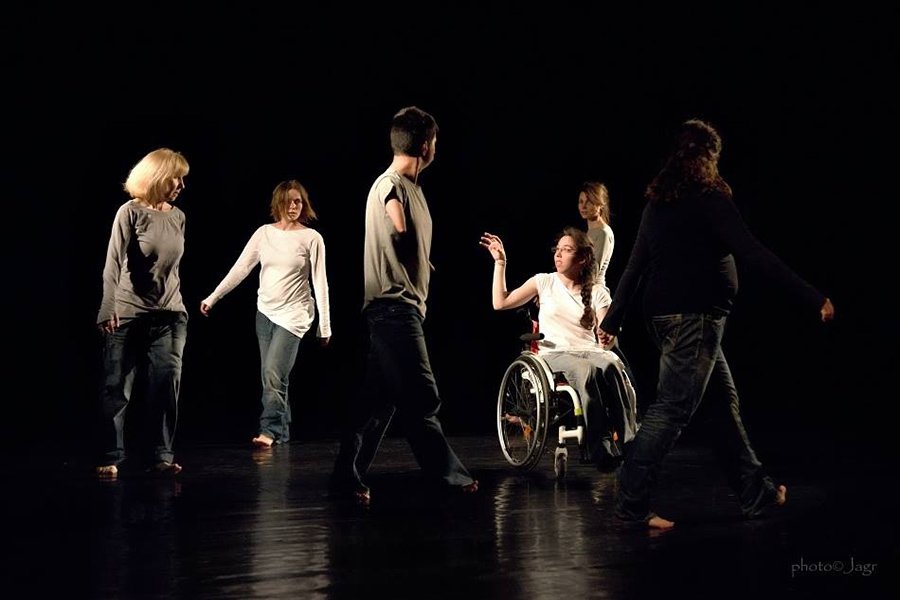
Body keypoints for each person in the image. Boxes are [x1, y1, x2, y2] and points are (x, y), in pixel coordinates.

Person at [597, 119, 835, 530]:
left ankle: (756, 492)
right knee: (672, 408)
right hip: (695, 320)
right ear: (708, 157)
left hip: (666, 319)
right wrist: (813, 296)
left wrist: (614, 319)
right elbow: (753, 252)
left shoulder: (658, 203)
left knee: (722, 406)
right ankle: (631, 500)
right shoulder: (710, 199)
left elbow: (635, 267)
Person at [330, 106, 478, 503]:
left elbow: (405, 239)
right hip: (392, 308)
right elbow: (395, 219)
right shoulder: (390, 183)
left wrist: (421, 261)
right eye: (435, 142)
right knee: (422, 395)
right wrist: (402, 234)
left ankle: (345, 475)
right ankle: (449, 475)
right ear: (426, 146)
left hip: (402, 306)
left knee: (376, 402)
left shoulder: (415, 188)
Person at [480, 227, 637, 470]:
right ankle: (600, 447)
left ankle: (631, 444)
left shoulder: (597, 292)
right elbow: (500, 302)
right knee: (585, 370)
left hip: (591, 350)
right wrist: (500, 262)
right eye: (557, 249)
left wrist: (607, 335)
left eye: (567, 250)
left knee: (612, 366)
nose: (558, 254)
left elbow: (606, 332)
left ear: (582, 258)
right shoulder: (544, 281)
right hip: (555, 354)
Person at [200, 180, 331, 448]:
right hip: (265, 313)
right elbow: (241, 268)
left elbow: (320, 282)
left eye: (298, 201)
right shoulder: (264, 234)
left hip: (295, 315)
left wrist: (325, 325)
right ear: (278, 203)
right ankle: (282, 431)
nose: (293, 206)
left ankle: (269, 430)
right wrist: (213, 297)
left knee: (273, 372)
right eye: (289, 201)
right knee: (272, 376)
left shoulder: (311, 238)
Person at [95, 147, 190, 479]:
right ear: (158, 177)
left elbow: (171, 268)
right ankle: (111, 454)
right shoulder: (130, 212)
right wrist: (107, 307)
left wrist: (174, 303)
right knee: (117, 387)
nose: (181, 185)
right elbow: (113, 262)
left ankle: (162, 455)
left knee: (166, 385)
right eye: (176, 178)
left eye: (183, 179)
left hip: (170, 315)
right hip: (128, 313)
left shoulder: (178, 216)